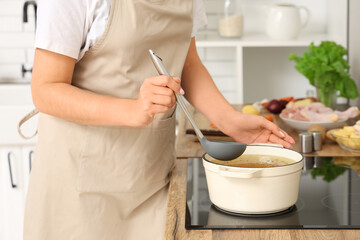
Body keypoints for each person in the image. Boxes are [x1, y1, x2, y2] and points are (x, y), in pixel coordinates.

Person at [23, 0, 294, 239]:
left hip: (149, 177)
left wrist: (229, 121)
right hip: (78, 188)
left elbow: (188, 64)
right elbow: (46, 89)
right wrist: (133, 110)